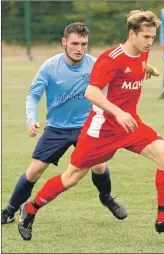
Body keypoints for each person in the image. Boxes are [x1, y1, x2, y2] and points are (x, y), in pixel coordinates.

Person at [18, 10, 164, 241]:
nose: (149, 42)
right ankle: (31, 208)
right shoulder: (111, 58)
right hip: (101, 130)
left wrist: (150, 69)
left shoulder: (141, 52)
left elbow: (137, 63)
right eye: (145, 37)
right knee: (72, 177)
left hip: (130, 126)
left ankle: (163, 219)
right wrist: (118, 112)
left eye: (153, 38)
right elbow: (91, 92)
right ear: (132, 34)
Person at [2, 22, 127, 226]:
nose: (79, 48)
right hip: (56, 128)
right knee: (34, 171)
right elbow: (33, 95)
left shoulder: (95, 64)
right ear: (64, 42)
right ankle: (9, 211)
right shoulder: (51, 66)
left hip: (86, 126)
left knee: (99, 165)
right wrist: (31, 119)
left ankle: (106, 198)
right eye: (75, 43)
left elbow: (119, 78)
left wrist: (143, 67)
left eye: (84, 44)